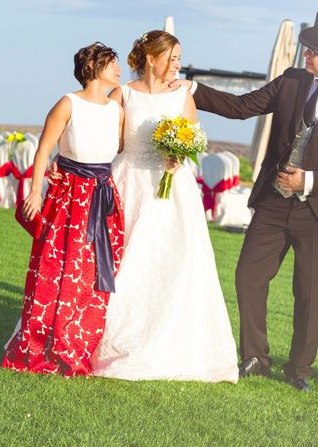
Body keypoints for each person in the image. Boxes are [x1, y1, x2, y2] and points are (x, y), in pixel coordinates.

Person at [173, 8, 318, 390]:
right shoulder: (291, 81)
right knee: (248, 276)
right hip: (272, 203)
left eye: (313, 50)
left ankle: (299, 369)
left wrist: (310, 180)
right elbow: (241, 108)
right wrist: (192, 89)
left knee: (310, 294)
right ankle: (255, 356)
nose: (305, 54)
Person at [91, 30, 239, 382]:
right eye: (171, 58)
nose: (177, 65)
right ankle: (113, 341)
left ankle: (172, 343)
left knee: (173, 261)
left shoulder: (183, 95)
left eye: (178, 58)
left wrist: (180, 153)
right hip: (130, 183)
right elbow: (105, 140)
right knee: (127, 259)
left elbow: (194, 138)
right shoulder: (123, 94)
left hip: (173, 191)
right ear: (151, 58)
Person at [2, 42, 125, 377]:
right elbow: (44, 149)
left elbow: (121, 150)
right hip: (68, 196)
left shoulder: (118, 109)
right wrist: (35, 193)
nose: (119, 69)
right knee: (55, 270)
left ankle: (75, 347)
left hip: (103, 197)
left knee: (91, 276)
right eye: (113, 63)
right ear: (94, 68)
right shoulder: (67, 103)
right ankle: (41, 344)